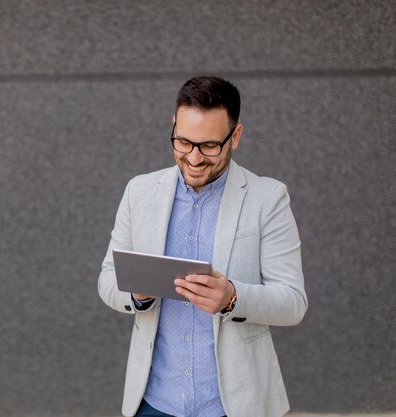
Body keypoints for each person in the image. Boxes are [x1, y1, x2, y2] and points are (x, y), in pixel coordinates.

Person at [98, 76, 307, 417]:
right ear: (174, 127)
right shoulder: (140, 192)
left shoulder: (268, 199)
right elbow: (108, 280)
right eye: (183, 142)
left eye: (209, 146)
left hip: (236, 405)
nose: (194, 158)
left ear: (235, 137)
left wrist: (232, 298)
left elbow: (293, 302)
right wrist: (137, 294)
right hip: (153, 402)